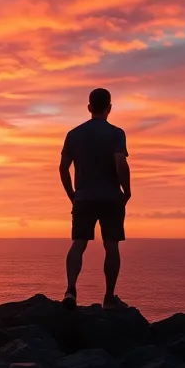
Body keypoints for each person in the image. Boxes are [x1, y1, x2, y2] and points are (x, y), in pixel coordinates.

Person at [59, 88, 131, 310]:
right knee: (111, 247)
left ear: (89, 107)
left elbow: (63, 168)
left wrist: (72, 194)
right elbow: (120, 163)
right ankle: (109, 298)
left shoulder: (73, 134)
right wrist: (126, 190)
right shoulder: (116, 133)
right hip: (111, 197)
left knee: (78, 243)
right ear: (109, 107)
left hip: (83, 198)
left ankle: (70, 291)